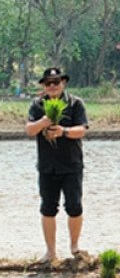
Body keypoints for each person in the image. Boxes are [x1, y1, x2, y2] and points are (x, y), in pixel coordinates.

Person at [25, 67, 89, 264]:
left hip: (71, 165)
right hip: (47, 167)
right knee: (47, 208)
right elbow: (29, 130)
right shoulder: (37, 106)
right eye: (48, 83)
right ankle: (51, 252)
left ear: (64, 83)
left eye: (56, 82)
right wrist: (44, 122)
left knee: (74, 207)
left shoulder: (75, 104)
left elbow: (82, 130)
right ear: (44, 86)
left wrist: (63, 131)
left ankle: (74, 247)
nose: (52, 86)